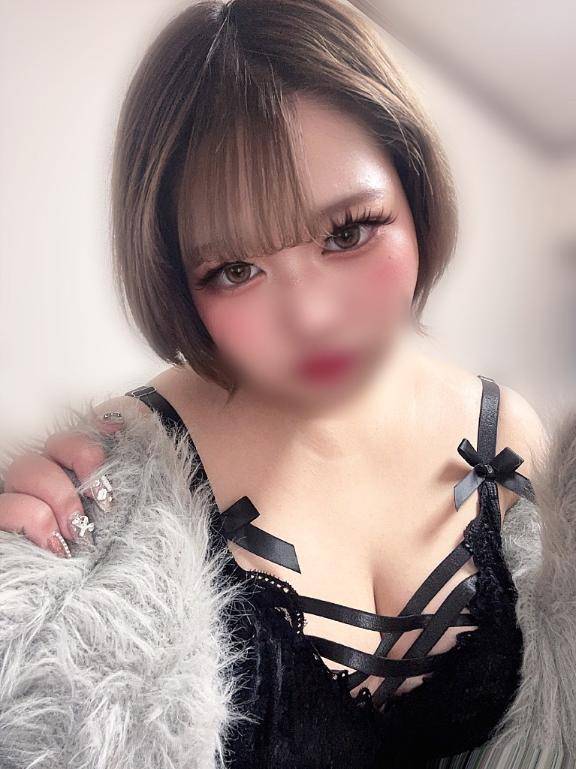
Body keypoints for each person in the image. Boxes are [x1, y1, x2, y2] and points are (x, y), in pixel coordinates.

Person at [0, 1, 574, 767]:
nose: (311, 317)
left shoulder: (510, 432)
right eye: (236, 268)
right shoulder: (114, 482)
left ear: (415, 190)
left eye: (349, 231)